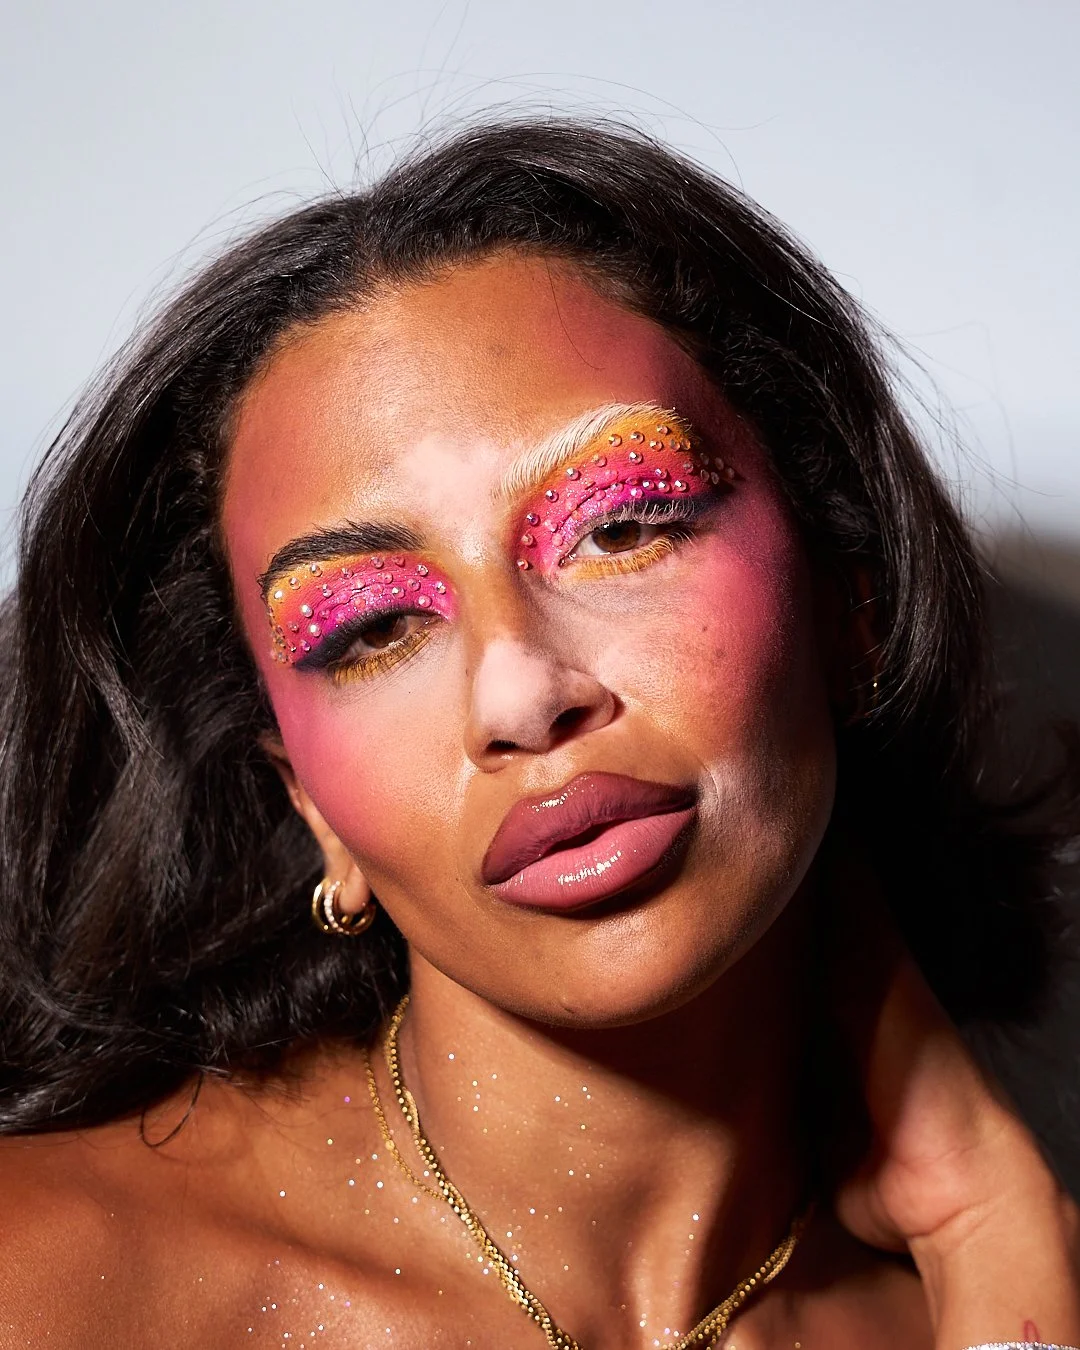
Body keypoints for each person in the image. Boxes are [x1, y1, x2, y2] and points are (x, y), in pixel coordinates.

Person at [0, 117, 1077, 1350]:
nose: (522, 697)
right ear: (307, 805)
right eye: (373, 629)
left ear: (850, 608)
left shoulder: (989, 1302)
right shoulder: (47, 1284)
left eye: (620, 529)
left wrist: (998, 1234)